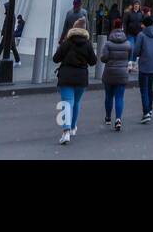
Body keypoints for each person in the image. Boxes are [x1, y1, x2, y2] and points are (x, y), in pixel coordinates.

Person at [53, 16, 96, 144]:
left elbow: (56, 58)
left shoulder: (67, 43)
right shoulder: (87, 44)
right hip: (81, 77)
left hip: (66, 76)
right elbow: (93, 61)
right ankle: (73, 127)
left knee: (67, 103)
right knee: (76, 102)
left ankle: (65, 132)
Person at [100, 18, 130, 130]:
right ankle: (118, 119)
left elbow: (104, 58)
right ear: (122, 27)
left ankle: (108, 117)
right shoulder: (127, 44)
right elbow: (130, 56)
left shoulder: (108, 43)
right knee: (119, 97)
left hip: (109, 72)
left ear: (113, 27)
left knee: (108, 96)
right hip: (122, 73)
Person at [135, 14, 153, 122]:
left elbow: (136, 51)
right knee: (150, 88)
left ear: (144, 24)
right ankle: (150, 109)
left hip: (144, 64)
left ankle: (146, 112)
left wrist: (141, 54)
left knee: (144, 90)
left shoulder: (141, 35)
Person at [123, 0, 144, 71]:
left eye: (138, 4)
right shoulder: (129, 13)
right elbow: (125, 24)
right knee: (131, 47)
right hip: (130, 34)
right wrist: (125, 33)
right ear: (133, 5)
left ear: (139, 6)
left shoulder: (141, 13)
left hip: (138, 35)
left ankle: (134, 64)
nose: (136, 6)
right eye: (135, 4)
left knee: (136, 49)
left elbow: (143, 23)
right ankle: (129, 63)